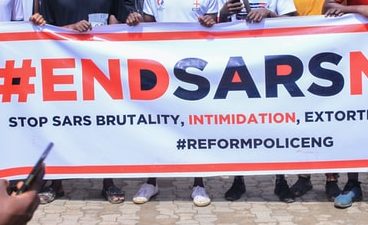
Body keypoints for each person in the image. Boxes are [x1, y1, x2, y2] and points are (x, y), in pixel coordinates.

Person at [37, 0, 134, 204]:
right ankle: (56, 184)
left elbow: (120, 19)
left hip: (100, 67)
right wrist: (71, 28)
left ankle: (108, 182)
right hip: (62, 67)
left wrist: (127, 21)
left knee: (105, 125)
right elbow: (42, 30)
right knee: (61, 125)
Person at [126, 0, 218, 207]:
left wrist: (212, 21)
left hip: (195, 69)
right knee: (157, 123)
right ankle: (151, 181)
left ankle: (199, 183)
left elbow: (217, 20)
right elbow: (148, 24)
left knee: (194, 125)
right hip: (161, 66)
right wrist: (137, 20)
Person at [217, 0, 298, 203]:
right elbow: (212, 24)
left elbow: (292, 23)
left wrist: (269, 13)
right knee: (238, 125)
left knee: (277, 125)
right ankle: (238, 180)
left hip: (270, 66)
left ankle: (281, 181)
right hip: (236, 65)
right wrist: (224, 13)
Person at [323, 0, 366, 209]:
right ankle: (353, 184)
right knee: (355, 120)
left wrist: (348, 10)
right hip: (357, 56)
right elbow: (328, 7)